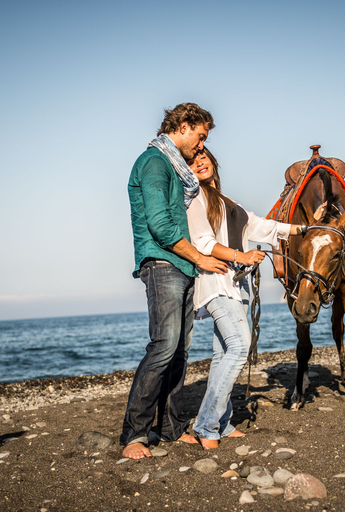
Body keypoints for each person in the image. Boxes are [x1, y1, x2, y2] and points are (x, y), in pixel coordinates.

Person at [121, 104, 230, 459]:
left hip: (182, 266)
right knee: (163, 347)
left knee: (179, 352)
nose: (201, 147)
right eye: (200, 137)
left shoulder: (175, 167)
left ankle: (169, 429)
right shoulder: (154, 162)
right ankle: (134, 435)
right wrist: (202, 258)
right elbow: (161, 225)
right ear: (183, 126)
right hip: (162, 262)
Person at [186, 147, 310, 449]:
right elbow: (202, 241)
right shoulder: (193, 199)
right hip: (215, 282)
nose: (199, 162)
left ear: (214, 161)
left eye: (204, 157)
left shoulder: (230, 203)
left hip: (235, 285)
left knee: (222, 354)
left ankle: (223, 423)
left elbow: (263, 226)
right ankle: (205, 426)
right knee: (240, 347)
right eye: (192, 160)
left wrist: (302, 229)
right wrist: (241, 255)